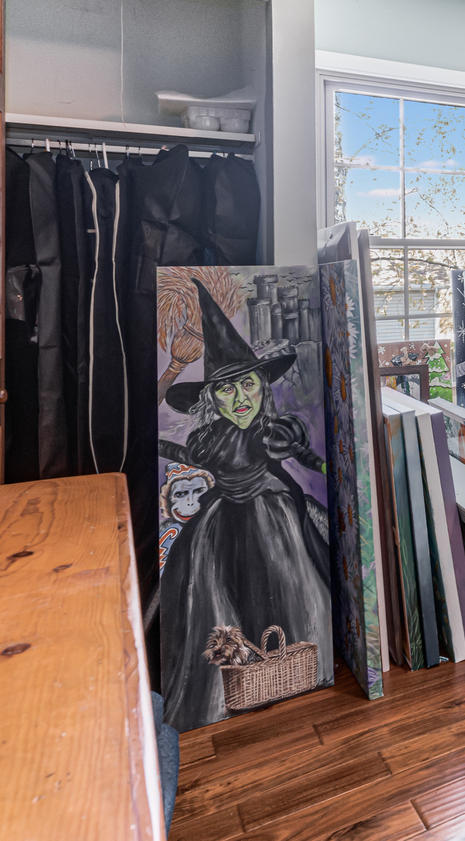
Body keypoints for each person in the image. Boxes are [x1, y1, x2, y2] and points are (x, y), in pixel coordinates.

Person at [157, 279, 330, 731]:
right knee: (212, 597)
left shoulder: (270, 430)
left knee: (289, 589)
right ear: (211, 398)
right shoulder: (206, 439)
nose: (240, 400)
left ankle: (288, 675)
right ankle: (232, 689)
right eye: (226, 391)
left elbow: (303, 454)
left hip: (272, 515)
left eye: (247, 386)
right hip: (218, 521)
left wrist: (328, 470)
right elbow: (182, 453)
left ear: (262, 384)